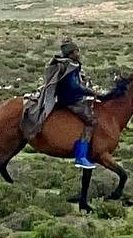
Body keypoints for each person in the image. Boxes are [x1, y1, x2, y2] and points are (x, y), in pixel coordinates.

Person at [36, 38, 97, 167]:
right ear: (71, 54)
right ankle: (81, 156)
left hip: (66, 98)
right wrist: (90, 92)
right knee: (91, 122)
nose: (78, 54)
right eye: (76, 51)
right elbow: (75, 86)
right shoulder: (69, 67)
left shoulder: (65, 64)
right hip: (71, 101)